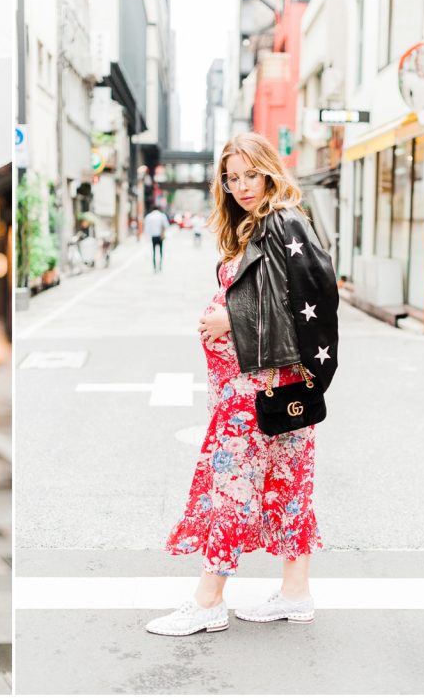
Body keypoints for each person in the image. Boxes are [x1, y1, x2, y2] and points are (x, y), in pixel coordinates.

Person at [146, 132, 339, 637]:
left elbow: (310, 294)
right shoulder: (261, 226)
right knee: (289, 485)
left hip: (260, 386)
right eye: (232, 178)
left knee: (231, 484)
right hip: (267, 384)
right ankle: (296, 593)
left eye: (250, 174)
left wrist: (229, 318)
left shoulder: (281, 222)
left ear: (270, 170)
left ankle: (208, 601)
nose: (241, 186)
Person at [143, 204, 167, 272]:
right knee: (160, 251)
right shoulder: (162, 216)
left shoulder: (149, 216)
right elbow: (166, 225)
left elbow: (146, 228)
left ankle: (154, 266)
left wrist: (147, 237)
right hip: (160, 236)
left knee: (153, 251)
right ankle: (160, 265)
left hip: (153, 236)